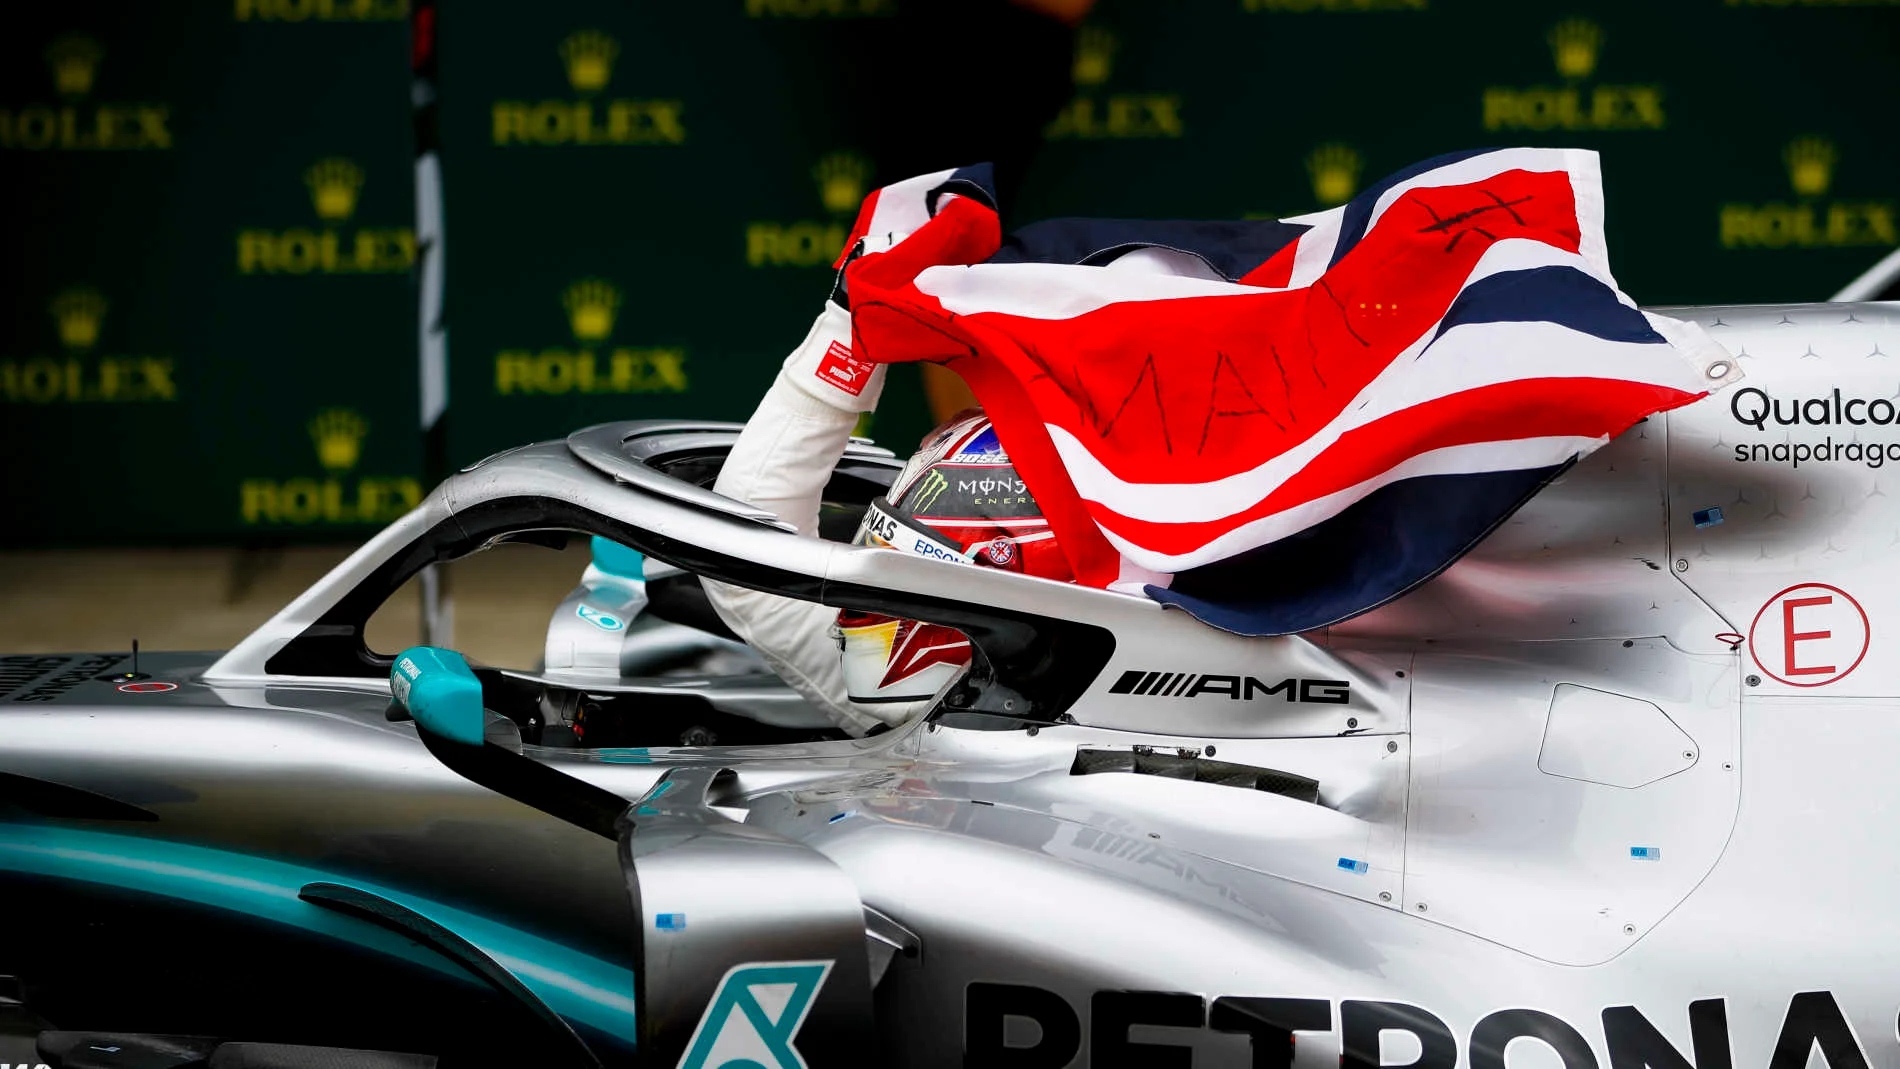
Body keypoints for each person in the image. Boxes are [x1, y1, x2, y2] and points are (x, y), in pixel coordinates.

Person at [702, 298, 1072, 736]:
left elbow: (748, 562)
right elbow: (750, 565)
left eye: (911, 572)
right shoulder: (935, 706)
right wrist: (850, 322)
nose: (858, 610)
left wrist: (850, 320)